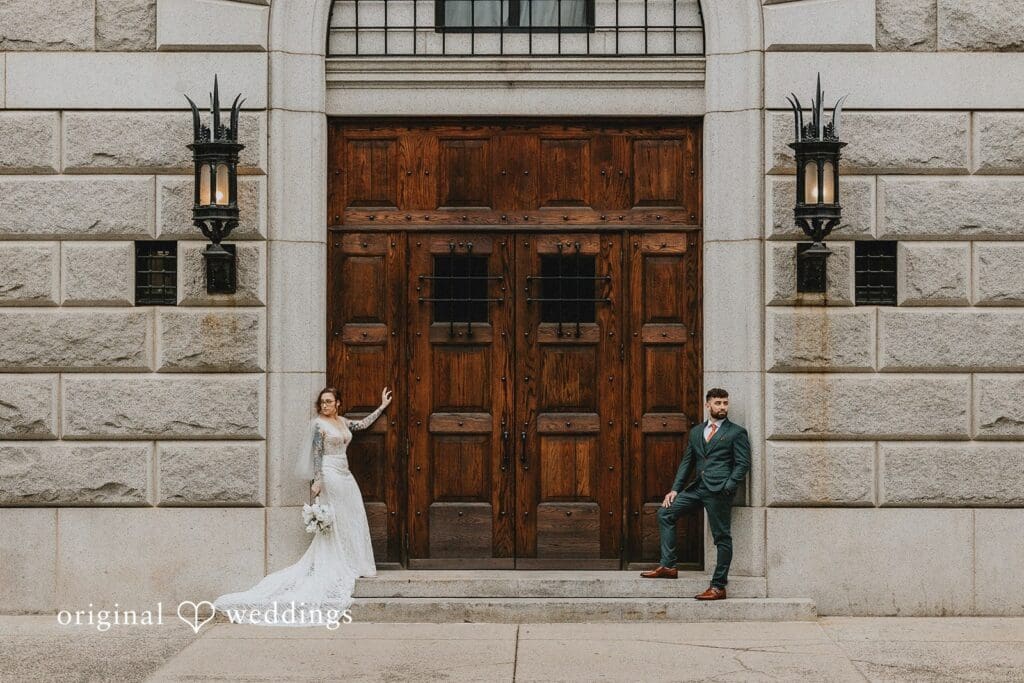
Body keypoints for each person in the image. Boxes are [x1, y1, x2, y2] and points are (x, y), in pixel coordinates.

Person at [213, 386, 393, 626]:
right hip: (329, 473)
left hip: (345, 473)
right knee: (337, 517)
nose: (325, 405)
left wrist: (382, 406)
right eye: (322, 402)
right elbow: (317, 454)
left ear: (338, 403)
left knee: (353, 515)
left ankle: (356, 562)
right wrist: (318, 480)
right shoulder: (318, 425)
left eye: (329, 402)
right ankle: (340, 563)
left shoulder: (342, 422)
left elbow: (361, 425)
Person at [640, 387, 750, 600]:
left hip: (719, 491)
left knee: (722, 537)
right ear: (708, 405)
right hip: (698, 488)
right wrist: (675, 489)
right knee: (665, 513)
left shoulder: (737, 432)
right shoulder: (697, 431)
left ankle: (718, 586)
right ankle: (668, 566)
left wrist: (729, 486)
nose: (722, 407)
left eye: (725, 403)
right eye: (718, 403)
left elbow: (743, 463)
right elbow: (687, 462)